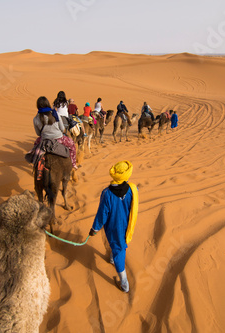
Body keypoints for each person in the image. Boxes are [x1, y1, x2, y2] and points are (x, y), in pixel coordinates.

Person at [89, 161, 139, 293]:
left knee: (119, 250)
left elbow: (102, 214)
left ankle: (124, 283)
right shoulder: (132, 190)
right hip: (125, 226)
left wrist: (94, 229)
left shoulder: (107, 193)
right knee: (117, 245)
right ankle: (112, 257)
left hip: (113, 227)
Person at [33, 96, 77, 169]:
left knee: (35, 146)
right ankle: (73, 164)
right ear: (47, 104)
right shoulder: (55, 114)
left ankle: (35, 165)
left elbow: (38, 134)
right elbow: (62, 129)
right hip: (59, 138)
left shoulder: (36, 118)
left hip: (44, 140)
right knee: (72, 145)